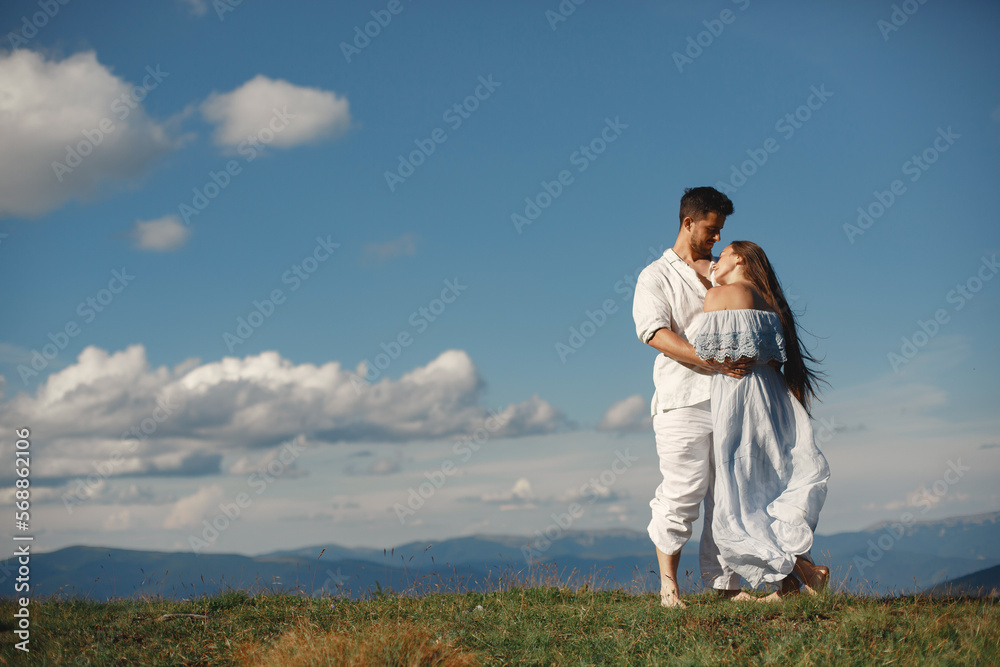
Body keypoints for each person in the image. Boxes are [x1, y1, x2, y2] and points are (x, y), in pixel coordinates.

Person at [632, 187, 754, 609]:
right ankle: (668, 588)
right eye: (711, 230)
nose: (717, 238)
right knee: (684, 489)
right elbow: (655, 334)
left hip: (730, 397)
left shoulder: (720, 271)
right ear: (688, 223)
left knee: (728, 492)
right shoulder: (655, 276)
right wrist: (711, 360)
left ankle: (727, 587)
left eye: (721, 231)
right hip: (681, 400)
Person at [689, 240, 831, 598]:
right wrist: (706, 266)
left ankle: (807, 571)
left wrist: (709, 277)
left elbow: (708, 353)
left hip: (741, 399)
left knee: (741, 495)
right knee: (767, 489)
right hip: (775, 399)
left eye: (722, 256)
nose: (714, 263)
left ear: (738, 258)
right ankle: (787, 585)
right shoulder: (769, 301)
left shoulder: (724, 295)